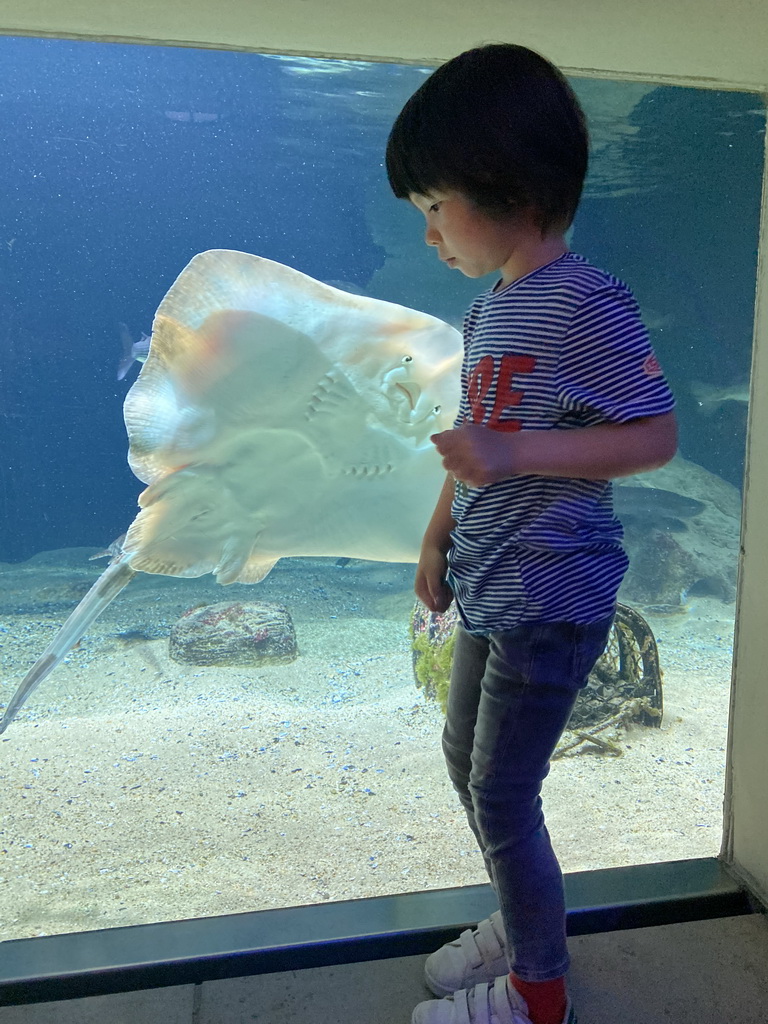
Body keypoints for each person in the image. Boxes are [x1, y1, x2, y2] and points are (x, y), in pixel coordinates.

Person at [385, 43, 677, 1024]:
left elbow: (656, 435)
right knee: (465, 758)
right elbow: (472, 447)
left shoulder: (586, 301)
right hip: (492, 586)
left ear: (506, 186)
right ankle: (523, 921)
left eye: (434, 207)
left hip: (552, 595)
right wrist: (435, 543)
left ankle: (538, 992)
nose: (429, 234)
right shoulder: (488, 310)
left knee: (504, 793)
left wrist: (517, 457)